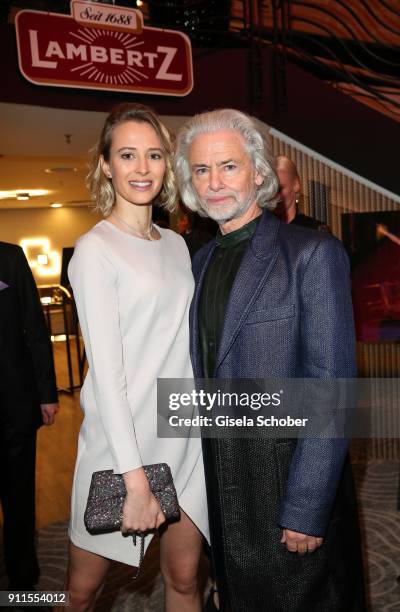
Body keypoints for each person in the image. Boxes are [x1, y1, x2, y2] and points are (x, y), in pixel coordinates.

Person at [174, 109, 366, 611]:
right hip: (224, 480)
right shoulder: (198, 263)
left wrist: (306, 507)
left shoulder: (312, 253)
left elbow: (333, 388)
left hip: (287, 478)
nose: (214, 183)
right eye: (201, 170)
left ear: (258, 172)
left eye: (228, 166)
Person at [64, 103, 209, 612]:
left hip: (184, 438)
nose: (142, 168)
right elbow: (108, 377)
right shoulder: (95, 250)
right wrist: (136, 481)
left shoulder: (175, 244)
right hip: (122, 452)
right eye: (128, 155)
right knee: (81, 594)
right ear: (106, 165)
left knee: (186, 580)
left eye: (153, 155)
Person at [0, 242, 59, 591]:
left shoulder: (9, 257)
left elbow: (34, 326)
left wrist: (47, 392)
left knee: (19, 498)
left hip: (14, 405)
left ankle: (24, 582)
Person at [273, 154, 330, 231]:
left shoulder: (315, 231)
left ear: (296, 185)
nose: (273, 195)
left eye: (279, 189)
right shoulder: (260, 229)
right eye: (270, 189)